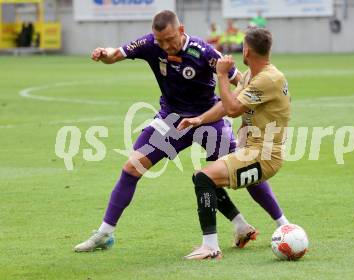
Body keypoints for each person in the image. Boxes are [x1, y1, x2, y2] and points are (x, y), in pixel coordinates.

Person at [74, 10, 289, 252]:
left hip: (208, 120)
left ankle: (283, 225)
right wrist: (104, 54)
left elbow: (239, 81)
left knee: (241, 169)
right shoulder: (149, 44)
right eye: (160, 41)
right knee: (132, 167)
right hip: (172, 120)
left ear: (181, 30)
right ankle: (105, 233)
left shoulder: (204, 51)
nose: (165, 45)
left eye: (170, 39)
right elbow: (116, 54)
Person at [178, 28, 291, 260]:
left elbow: (232, 109)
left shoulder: (268, 79)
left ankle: (210, 247)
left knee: (204, 178)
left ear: (247, 50)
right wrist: (199, 119)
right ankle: (248, 227)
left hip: (264, 155)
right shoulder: (253, 75)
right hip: (252, 150)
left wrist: (221, 75)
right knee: (207, 178)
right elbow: (226, 105)